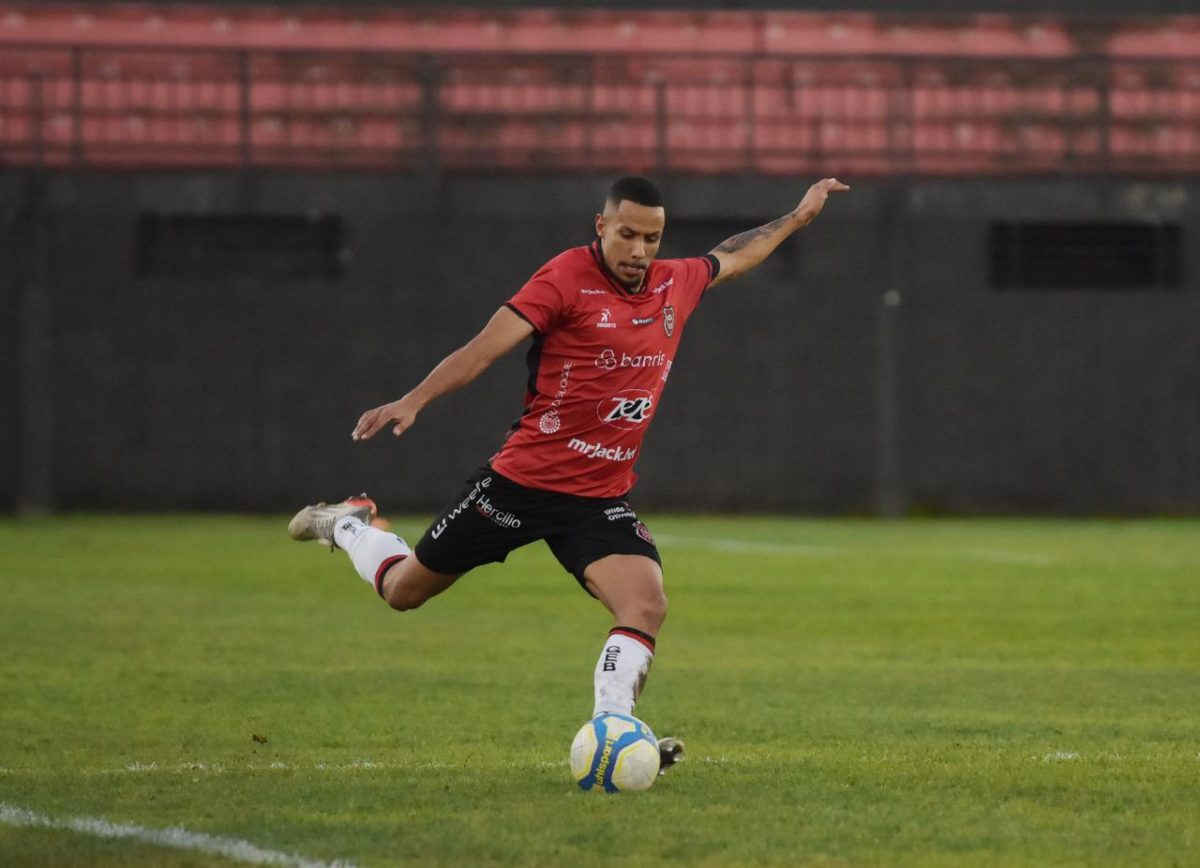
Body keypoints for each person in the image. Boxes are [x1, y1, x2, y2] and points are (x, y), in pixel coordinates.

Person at [289, 176, 849, 770]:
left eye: (651, 238)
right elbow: (484, 348)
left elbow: (734, 255)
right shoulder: (564, 278)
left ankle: (615, 730)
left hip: (596, 499)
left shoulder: (673, 283)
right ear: (601, 226)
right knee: (404, 592)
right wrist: (414, 399)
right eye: (627, 234)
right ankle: (350, 524)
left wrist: (797, 216)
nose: (638, 250)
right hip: (519, 486)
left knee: (646, 602)